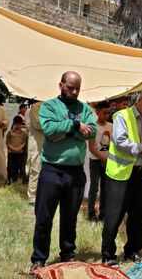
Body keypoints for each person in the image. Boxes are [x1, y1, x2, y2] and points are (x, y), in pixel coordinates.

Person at [30, 72, 96, 272]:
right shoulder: (49, 106)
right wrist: (76, 126)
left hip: (75, 172)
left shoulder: (84, 107)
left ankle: (67, 253)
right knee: (44, 216)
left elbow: (92, 131)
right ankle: (39, 257)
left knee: (70, 216)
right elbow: (49, 131)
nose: (74, 91)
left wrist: (65, 131)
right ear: (60, 85)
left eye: (77, 88)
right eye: (70, 87)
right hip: (52, 170)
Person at [101, 90, 142, 267]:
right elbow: (121, 143)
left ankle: (133, 251)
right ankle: (108, 254)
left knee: (140, 216)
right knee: (114, 216)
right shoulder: (122, 116)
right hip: (120, 174)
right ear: (138, 101)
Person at [86, 101, 112, 222]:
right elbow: (91, 147)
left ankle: (104, 212)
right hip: (95, 161)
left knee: (105, 187)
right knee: (94, 186)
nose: (107, 115)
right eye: (104, 113)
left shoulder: (111, 126)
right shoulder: (93, 127)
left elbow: (113, 144)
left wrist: (108, 159)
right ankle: (91, 212)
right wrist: (103, 158)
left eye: (109, 113)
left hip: (108, 161)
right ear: (97, 112)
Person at [26, 100, 45, 204]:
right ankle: (32, 197)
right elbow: (38, 124)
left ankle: (43, 194)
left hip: (51, 144)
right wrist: (54, 124)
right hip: (38, 143)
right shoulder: (36, 107)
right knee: (36, 169)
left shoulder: (55, 106)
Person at [6, 115, 28, 184]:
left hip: (20, 152)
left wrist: (19, 148)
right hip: (11, 152)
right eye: (16, 124)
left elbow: (24, 142)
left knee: (19, 166)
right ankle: (9, 178)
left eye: (19, 124)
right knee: (10, 166)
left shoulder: (23, 133)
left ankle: (16, 179)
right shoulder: (10, 132)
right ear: (14, 123)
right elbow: (7, 142)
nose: (18, 125)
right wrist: (13, 148)